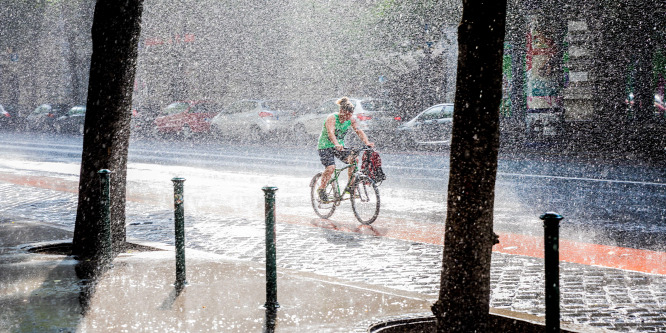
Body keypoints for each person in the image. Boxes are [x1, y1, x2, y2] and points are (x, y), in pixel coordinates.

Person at [317, 97, 374, 201]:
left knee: (354, 159)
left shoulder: (351, 120)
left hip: (340, 146)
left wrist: (367, 143)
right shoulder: (332, 118)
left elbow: (359, 131)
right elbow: (331, 133)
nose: (349, 116)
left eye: (351, 114)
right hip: (325, 146)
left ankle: (350, 186)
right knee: (330, 167)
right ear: (342, 111)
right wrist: (336, 143)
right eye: (347, 114)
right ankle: (322, 189)